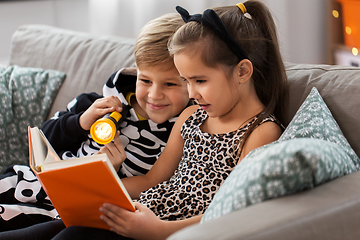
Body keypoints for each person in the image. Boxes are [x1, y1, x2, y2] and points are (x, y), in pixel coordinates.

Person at [0, 1, 289, 239]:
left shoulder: (261, 132)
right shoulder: (191, 116)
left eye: (199, 80)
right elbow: (152, 179)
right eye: (186, 81)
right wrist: (95, 189)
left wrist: (157, 230)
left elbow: (233, 210)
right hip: (134, 213)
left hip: (159, 229)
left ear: (242, 72)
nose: (192, 93)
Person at [0, 12, 189, 233]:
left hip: (72, 208)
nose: (154, 95)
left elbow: (155, 188)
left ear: (191, 81)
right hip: (34, 182)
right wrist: (80, 122)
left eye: (169, 84)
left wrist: (107, 174)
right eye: (145, 80)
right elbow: (42, 140)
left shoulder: (184, 133)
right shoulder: (96, 104)